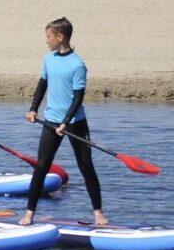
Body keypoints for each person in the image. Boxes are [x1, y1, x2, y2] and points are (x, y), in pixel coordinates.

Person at [20, 17, 108, 227]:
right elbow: (42, 85)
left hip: (75, 122)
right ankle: (29, 214)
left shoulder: (77, 65)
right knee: (42, 166)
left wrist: (66, 122)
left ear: (60, 37)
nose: (46, 40)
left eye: (49, 36)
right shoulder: (49, 59)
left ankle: (98, 214)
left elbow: (78, 98)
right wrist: (33, 109)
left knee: (86, 166)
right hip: (51, 121)